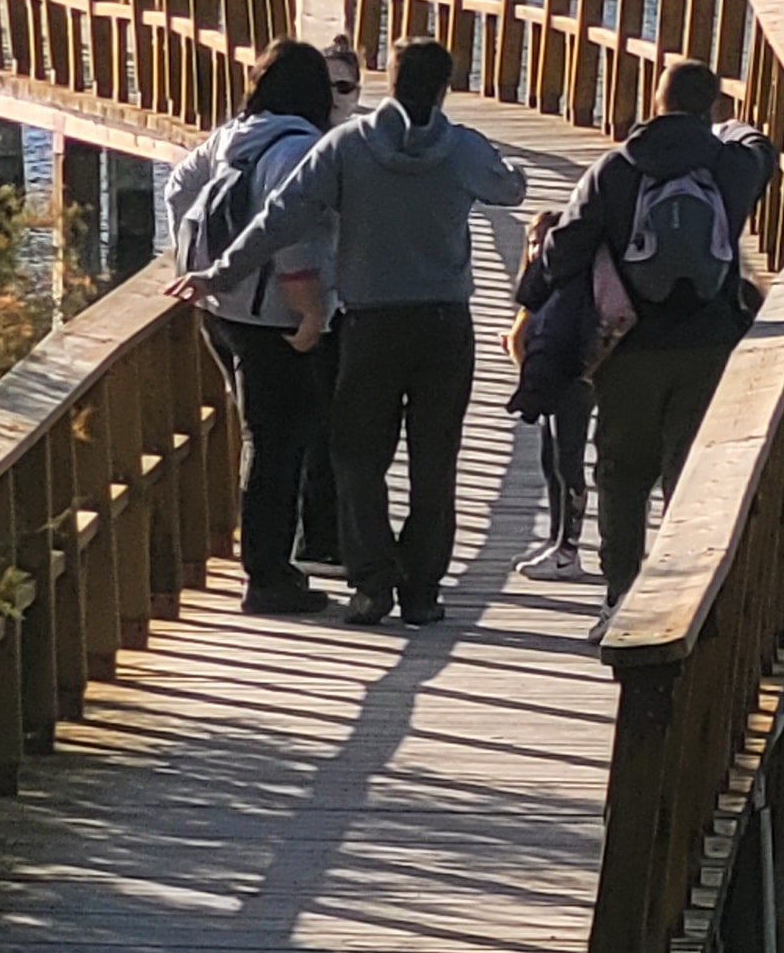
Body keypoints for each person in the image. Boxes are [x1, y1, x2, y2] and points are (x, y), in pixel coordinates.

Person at [188, 38, 523, 628]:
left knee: (357, 458)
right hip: (446, 324)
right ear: (445, 87)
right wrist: (510, 168)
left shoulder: (345, 146)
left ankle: (371, 586)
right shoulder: (463, 148)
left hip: (370, 323)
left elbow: (278, 220)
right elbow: (510, 190)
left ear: (388, 83)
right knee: (434, 458)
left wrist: (217, 273)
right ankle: (421, 590)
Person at [538, 59, 777, 599]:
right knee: (691, 476)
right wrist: (731, 128)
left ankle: (620, 595)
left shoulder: (616, 169)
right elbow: (764, 151)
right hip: (711, 345)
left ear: (656, 100)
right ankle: (686, 599)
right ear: (711, 106)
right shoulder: (730, 165)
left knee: (622, 475)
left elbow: (564, 250)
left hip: (630, 348)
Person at [160, 43, 339, 616]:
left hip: (222, 310)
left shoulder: (230, 137)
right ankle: (267, 576)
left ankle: (271, 567)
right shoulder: (299, 150)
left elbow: (177, 191)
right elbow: (293, 236)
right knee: (277, 445)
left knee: (264, 437)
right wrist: (309, 310)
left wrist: (193, 265)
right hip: (274, 318)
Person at [292, 34, 368, 571]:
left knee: (336, 426)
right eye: (328, 86)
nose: (337, 97)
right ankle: (316, 538)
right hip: (302, 304)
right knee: (313, 426)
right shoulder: (300, 147)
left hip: (347, 304)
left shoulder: (359, 145)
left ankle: (329, 535)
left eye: (346, 86)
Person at [504, 208, 598, 579]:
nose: (537, 248)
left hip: (574, 374)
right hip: (551, 376)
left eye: (545, 241)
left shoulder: (567, 284)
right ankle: (556, 538)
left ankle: (569, 548)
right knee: (550, 457)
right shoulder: (538, 285)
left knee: (568, 457)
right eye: (532, 242)